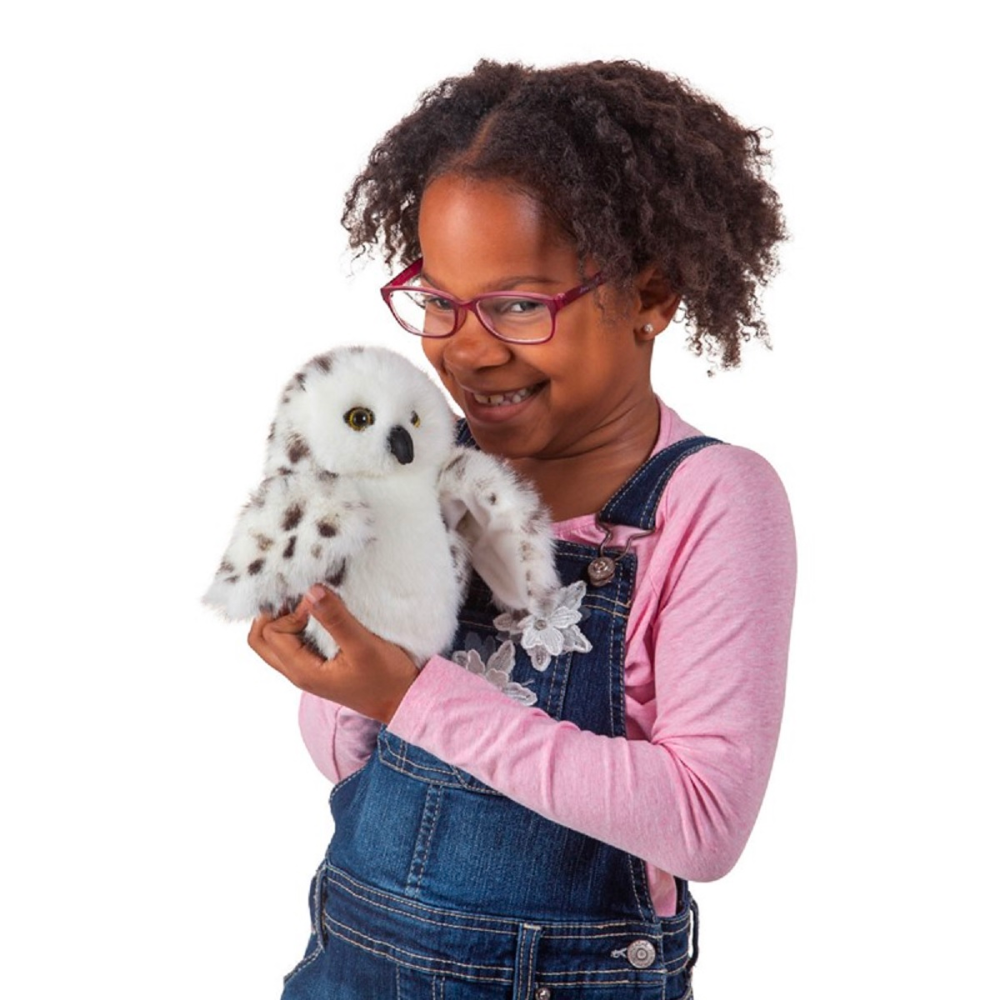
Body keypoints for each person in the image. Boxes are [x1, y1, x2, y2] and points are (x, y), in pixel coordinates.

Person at [250, 59, 796, 999]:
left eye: (516, 306)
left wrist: (411, 693)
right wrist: (334, 650)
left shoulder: (708, 501)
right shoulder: (421, 465)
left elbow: (703, 823)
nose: (464, 348)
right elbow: (353, 770)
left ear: (651, 296)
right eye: (438, 300)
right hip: (350, 967)